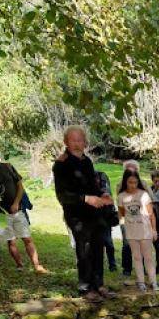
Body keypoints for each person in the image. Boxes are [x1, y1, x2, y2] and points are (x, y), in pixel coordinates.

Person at [53, 125, 113, 302]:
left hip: (95, 213)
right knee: (84, 249)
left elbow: (92, 185)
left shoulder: (87, 161)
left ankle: (98, 284)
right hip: (77, 215)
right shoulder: (61, 164)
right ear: (66, 142)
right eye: (74, 140)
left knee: (98, 246)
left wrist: (102, 194)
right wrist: (85, 198)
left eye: (80, 140)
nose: (78, 143)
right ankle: (85, 288)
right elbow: (62, 195)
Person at [0, 141, 47, 273]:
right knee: (11, 241)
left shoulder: (8, 166)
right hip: (0, 213)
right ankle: (20, 265)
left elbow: (20, 186)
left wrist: (16, 203)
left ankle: (37, 266)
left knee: (27, 238)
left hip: (17, 210)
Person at [117, 170, 158, 292]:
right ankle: (141, 282)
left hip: (145, 230)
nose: (133, 185)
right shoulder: (121, 196)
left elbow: (151, 214)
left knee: (148, 257)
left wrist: (154, 230)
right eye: (130, 182)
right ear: (125, 182)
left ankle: (153, 282)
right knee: (136, 257)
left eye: (135, 182)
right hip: (131, 230)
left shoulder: (144, 194)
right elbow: (122, 213)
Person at [95, 170, 118, 273]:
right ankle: (98, 266)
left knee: (108, 243)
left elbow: (107, 196)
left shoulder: (102, 176)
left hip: (105, 217)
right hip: (94, 218)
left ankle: (112, 266)